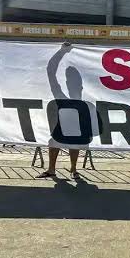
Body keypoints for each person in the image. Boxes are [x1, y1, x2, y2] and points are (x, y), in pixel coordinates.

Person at [37, 43, 87, 180]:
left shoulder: (82, 97)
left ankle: (73, 169)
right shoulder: (60, 95)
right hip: (62, 128)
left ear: (80, 86)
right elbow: (50, 71)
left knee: (74, 141)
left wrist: (63, 52)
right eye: (69, 80)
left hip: (75, 130)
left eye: (71, 81)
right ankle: (54, 169)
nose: (70, 84)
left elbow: (50, 71)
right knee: (55, 142)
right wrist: (62, 52)